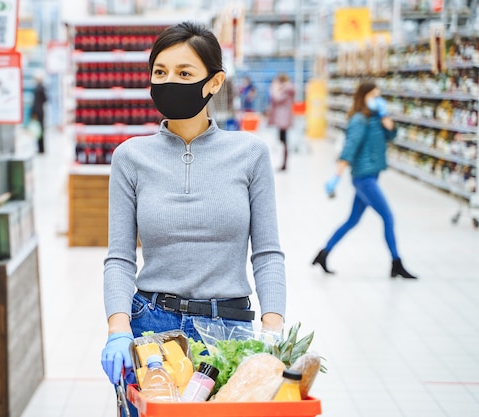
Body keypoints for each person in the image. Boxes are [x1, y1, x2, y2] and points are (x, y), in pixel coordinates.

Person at [100, 21, 287, 397]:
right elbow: (119, 257)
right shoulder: (130, 157)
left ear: (214, 83)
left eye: (184, 73)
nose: (169, 82)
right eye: (160, 72)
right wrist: (118, 330)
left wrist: (272, 330)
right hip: (151, 330)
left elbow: (267, 254)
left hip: (229, 328)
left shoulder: (250, 154)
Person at [312, 80, 417, 279]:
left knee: (352, 221)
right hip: (364, 178)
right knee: (388, 217)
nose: (378, 99)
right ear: (364, 97)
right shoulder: (359, 120)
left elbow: (392, 135)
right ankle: (396, 263)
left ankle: (323, 253)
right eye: (374, 96)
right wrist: (336, 176)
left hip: (372, 175)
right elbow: (349, 148)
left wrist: (386, 116)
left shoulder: (377, 117)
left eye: (379, 96)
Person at [268, 73, 295, 171]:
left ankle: (284, 163)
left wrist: (273, 89)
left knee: (283, 141)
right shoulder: (287, 89)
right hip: (282, 119)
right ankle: (283, 163)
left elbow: (276, 98)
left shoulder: (286, 90)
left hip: (283, 119)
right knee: (282, 140)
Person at [30, 70, 47, 153]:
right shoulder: (42, 88)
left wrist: (34, 113)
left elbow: (36, 102)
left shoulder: (38, 89)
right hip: (41, 111)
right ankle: (41, 148)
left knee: (39, 130)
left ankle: (41, 148)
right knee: (40, 130)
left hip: (38, 112)